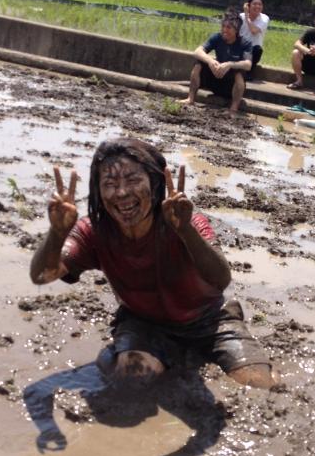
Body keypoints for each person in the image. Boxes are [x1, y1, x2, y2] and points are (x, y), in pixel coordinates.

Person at [29, 138, 275, 390]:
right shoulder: (94, 231)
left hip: (210, 321)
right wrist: (57, 234)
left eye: (133, 180)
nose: (122, 193)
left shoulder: (186, 221)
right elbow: (42, 276)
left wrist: (185, 232)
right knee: (130, 381)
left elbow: (221, 279)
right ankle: (130, 356)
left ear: (155, 183)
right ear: (99, 192)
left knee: (259, 385)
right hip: (143, 323)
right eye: (110, 184)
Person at [182, 14, 252, 112]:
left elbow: (248, 65)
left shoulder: (245, 43)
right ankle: (190, 99)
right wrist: (210, 61)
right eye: (223, 26)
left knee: (239, 73)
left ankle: (234, 108)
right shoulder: (217, 37)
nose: (224, 30)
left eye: (228, 27)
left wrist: (230, 64)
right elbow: (197, 51)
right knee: (198, 63)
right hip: (215, 78)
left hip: (230, 86)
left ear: (236, 30)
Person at [239, 0, 269, 80]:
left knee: (258, 49)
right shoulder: (240, 17)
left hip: (253, 50)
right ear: (248, 5)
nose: (257, 6)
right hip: (240, 47)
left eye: (260, 4)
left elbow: (254, 31)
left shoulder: (264, 18)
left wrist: (246, 15)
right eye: (255, 4)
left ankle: (249, 72)